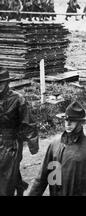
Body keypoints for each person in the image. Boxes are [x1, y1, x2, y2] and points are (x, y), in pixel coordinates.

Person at [29, 102, 86, 196]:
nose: (68, 124)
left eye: (73, 120)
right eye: (66, 120)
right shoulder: (54, 145)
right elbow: (41, 179)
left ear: (81, 122)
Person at [0, 68, 39, 196]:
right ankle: (19, 185)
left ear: (8, 83)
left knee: (6, 180)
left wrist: (33, 144)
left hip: (11, 143)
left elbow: (28, 123)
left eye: (1, 83)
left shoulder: (18, 99)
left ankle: (13, 187)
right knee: (7, 173)